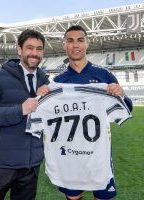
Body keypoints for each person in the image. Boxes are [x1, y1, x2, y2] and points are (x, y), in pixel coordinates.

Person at [53, 25, 133, 200]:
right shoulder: (58, 81)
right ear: (64, 45)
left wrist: (122, 93)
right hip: (70, 155)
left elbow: (127, 108)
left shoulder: (104, 75)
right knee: (73, 197)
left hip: (99, 154)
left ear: (87, 44)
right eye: (70, 41)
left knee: (103, 197)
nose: (76, 45)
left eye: (80, 40)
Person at [0, 29, 49, 200]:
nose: (34, 53)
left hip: (31, 166)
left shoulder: (47, 82)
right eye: (29, 48)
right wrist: (19, 110)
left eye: (39, 48)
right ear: (19, 49)